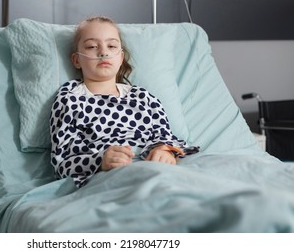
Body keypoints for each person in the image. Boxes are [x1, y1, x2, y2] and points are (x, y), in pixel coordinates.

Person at [50, 16, 199, 188]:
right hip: (106, 175)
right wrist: (100, 161)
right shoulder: (70, 98)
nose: (103, 52)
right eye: (92, 46)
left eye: (111, 46)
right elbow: (61, 163)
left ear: (120, 58)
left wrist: (164, 151)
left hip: (153, 167)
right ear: (77, 60)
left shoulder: (143, 97)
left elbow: (165, 136)